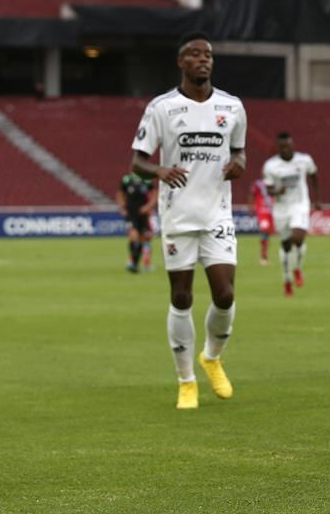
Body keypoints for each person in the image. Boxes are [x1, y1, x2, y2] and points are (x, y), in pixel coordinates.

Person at [131, 31, 246, 409]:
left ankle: (211, 357)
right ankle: (185, 380)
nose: (203, 59)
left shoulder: (232, 107)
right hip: (178, 215)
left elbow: (240, 152)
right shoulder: (161, 108)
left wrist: (239, 163)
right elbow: (138, 161)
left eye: (208, 54)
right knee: (181, 296)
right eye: (194, 54)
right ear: (181, 62)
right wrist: (160, 171)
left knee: (225, 294)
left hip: (217, 213)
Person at [262, 133, 320, 297]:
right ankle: (287, 279)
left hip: (300, 205)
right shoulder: (271, 166)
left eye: (288, 146)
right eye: (282, 147)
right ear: (278, 148)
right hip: (281, 209)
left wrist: (317, 199)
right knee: (286, 246)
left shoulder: (304, 160)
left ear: (292, 145)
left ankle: (297, 269)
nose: (285, 149)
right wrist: (276, 190)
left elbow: (314, 175)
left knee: (298, 238)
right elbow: (268, 189)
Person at [116, 171, 157, 273]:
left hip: (143, 214)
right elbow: (120, 193)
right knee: (133, 235)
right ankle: (133, 263)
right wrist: (122, 207)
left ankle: (137, 263)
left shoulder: (147, 180)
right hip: (131, 213)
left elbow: (155, 193)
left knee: (144, 238)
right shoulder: (127, 179)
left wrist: (149, 206)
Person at [249, 178, 274, 265]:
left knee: (268, 234)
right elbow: (252, 194)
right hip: (262, 211)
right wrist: (250, 208)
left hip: (272, 211)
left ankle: (265, 256)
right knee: (264, 231)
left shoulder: (274, 181)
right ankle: (263, 257)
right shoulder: (258, 184)